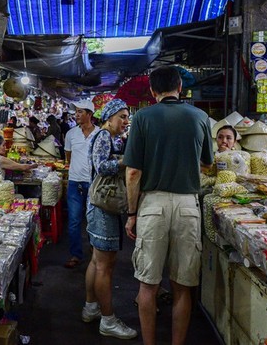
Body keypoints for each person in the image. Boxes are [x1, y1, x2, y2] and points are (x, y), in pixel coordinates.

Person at [123, 66, 213, 345]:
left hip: (153, 205)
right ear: (180, 88)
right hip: (188, 205)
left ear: (153, 91)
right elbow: (208, 163)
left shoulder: (142, 118)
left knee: (148, 285)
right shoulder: (200, 117)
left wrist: (132, 213)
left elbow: (133, 173)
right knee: (183, 288)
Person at [81, 99, 137, 339]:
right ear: (110, 117)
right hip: (102, 206)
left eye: (127, 117)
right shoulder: (103, 136)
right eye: (122, 117)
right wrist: (128, 161)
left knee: (96, 261)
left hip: (98, 204)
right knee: (105, 264)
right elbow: (102, 166)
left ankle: (91, 307)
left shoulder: (106, 137)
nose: (125, 122)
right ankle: (108, 320)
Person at [63, 99, 99, 268]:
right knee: (74, 220)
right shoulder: (71, 134)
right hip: (75, 183)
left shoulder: (100, 133)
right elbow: (68, 158)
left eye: (79, 112)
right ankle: (76, 254)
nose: (76, 115)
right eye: (75, 112)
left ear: (89, 114)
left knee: (93, 219)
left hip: (94, 183)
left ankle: (96, 251)